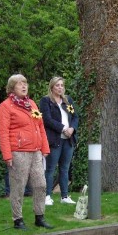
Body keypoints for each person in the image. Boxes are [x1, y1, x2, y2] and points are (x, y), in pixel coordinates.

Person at [0, 74, 53, 230]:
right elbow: (3, 132)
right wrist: (7, 155)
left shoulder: (32, 104)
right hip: (18, 152)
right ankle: (18, 220)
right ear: (12, 88)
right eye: (19, 83)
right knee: (18, 187)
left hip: (36, 152)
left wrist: (45, 147)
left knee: (41, 185)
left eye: (25, 83)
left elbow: (40, 126)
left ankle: (39, 217)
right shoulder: (5, 106)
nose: (24, 86)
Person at [39, 76, 79, 205]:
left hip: (68, 140)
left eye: (62, 85)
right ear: (52, 87)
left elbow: (75, 117)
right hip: (55, 139)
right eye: (57, 85)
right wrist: (63, 129)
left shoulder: (68, 101)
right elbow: (47, 120)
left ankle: (64, 196)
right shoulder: (46, 101)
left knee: (65, 168)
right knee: (50, 169)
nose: (60, 87)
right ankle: (47, 196)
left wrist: (72, 128)